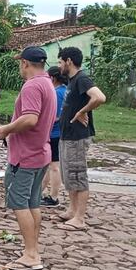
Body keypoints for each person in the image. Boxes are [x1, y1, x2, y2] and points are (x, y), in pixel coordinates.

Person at [0, 46, 56, 270]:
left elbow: (30, 119)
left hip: (25, 157)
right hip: (41, 153)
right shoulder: (48, 83)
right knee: (33, 203)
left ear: (25, 63)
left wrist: (6, 130)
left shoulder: (32, 86)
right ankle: (32, 249)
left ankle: (31, 255)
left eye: (20, 62)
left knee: (19, 203)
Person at [56, 47, 106, 231]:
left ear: (69, 61)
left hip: (77, 136)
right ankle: (72, 210)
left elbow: (99, 97)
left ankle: (80, 218)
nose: (59, 65)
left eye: (60, 62)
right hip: (67, 134)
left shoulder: (82, 78)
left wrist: (82, 111)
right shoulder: (72, 81)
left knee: (78, 175)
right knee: (68, 175)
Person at [41, 66, 68, 207]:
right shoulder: (65, 90)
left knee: (53, 166)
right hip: (59, 132)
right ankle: (40, 192)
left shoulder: (56, 93)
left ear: (52, 78)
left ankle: (54, 197)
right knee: (47, 165)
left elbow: (55, 116)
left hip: (54, 133)